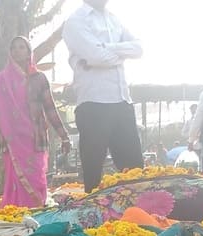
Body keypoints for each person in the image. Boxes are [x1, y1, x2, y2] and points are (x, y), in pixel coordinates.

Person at [0, 36, 73, 208]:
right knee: (16, 183)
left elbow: (50, 108)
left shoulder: (39, 79)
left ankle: (37, 214)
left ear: (29, 52)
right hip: (13, 142)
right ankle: (17, 217)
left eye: (22, 47)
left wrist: (64, 137)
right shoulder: (1, 81)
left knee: (37, 180)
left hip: (35, 139)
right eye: (14, 47)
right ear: (10, 52)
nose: (17, 51)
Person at [62, 0, 144, 192]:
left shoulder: (114, 19)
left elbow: (139, 48)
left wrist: (106, 47)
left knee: (135, 170)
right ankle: (96, 219)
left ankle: (137, 216)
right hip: (93, 103)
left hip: (122, 100)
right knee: (93, 173)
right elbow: (96, 57)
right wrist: (121, 53)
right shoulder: (75, 21)